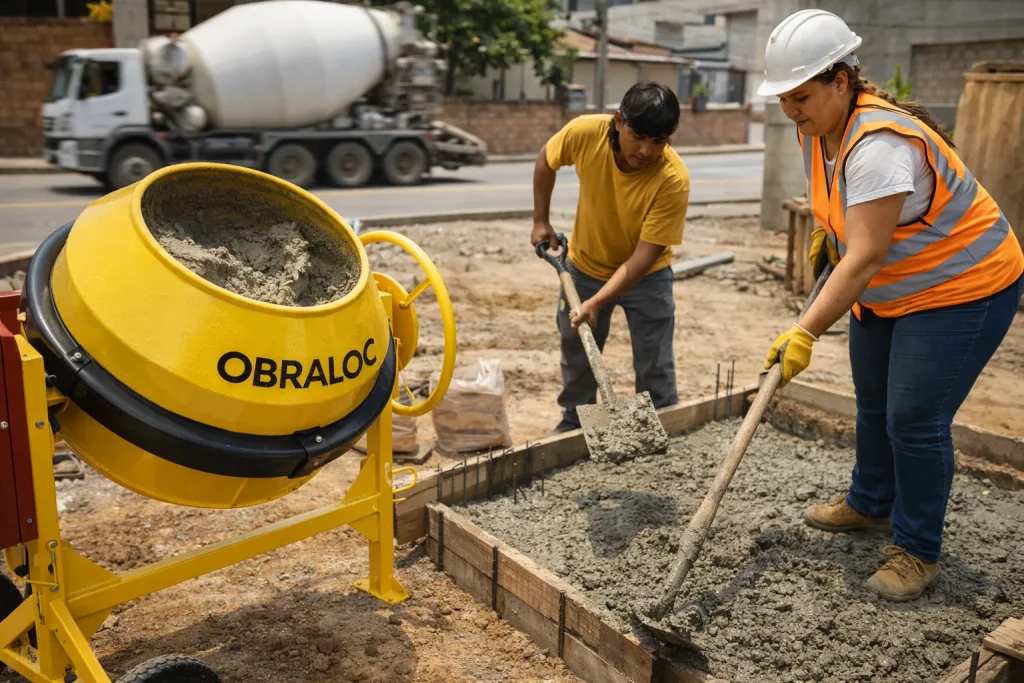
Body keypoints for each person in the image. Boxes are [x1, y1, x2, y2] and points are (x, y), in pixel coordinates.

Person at [758, 9, 1024, 602]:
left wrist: (804, 331)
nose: (791, 110)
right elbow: (847, 220)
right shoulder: (817, 129)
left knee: (914, 419)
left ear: (841, 81)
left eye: (801, 96)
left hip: (963, 287)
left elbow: (867, 256)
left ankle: (918, 550)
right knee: (874, 401)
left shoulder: (880, 146)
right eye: (784, 99)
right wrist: (828, 233)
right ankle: (872, 502)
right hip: (892, 287)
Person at [531, 82, 690, 434]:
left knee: (653, 358)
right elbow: (546, 159)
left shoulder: (672, 179)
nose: (646, 150)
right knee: (577, 352)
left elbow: (644, 256)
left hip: (646, 277)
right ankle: (574, 423)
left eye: (658, 141)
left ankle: (659, 424)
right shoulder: (585, 133)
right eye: (639, 137)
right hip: (585, 265)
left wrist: (598, 301)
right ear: (619, 121)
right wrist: (541, 221)